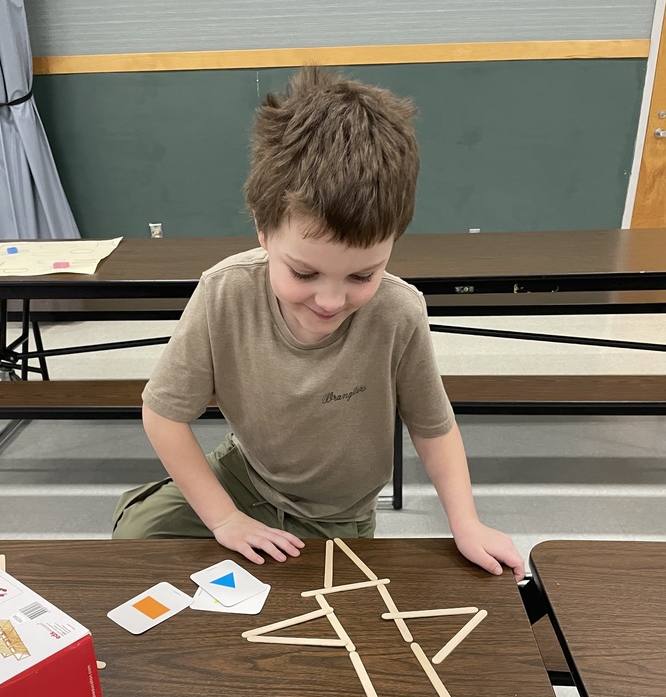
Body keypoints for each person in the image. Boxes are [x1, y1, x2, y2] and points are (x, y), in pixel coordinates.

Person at [112, 67, 524, 579]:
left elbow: (433, 428)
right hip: (246, 477)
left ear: (394, 241)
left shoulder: (399, 312)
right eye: (304, 272)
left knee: (320, 597)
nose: (330, 300)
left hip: (337, 517)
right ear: (263, 232)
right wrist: (224, 520)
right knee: (135, 539)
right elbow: (163, 414)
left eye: (363, 274)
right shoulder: (225, 291)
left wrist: (467, 524)